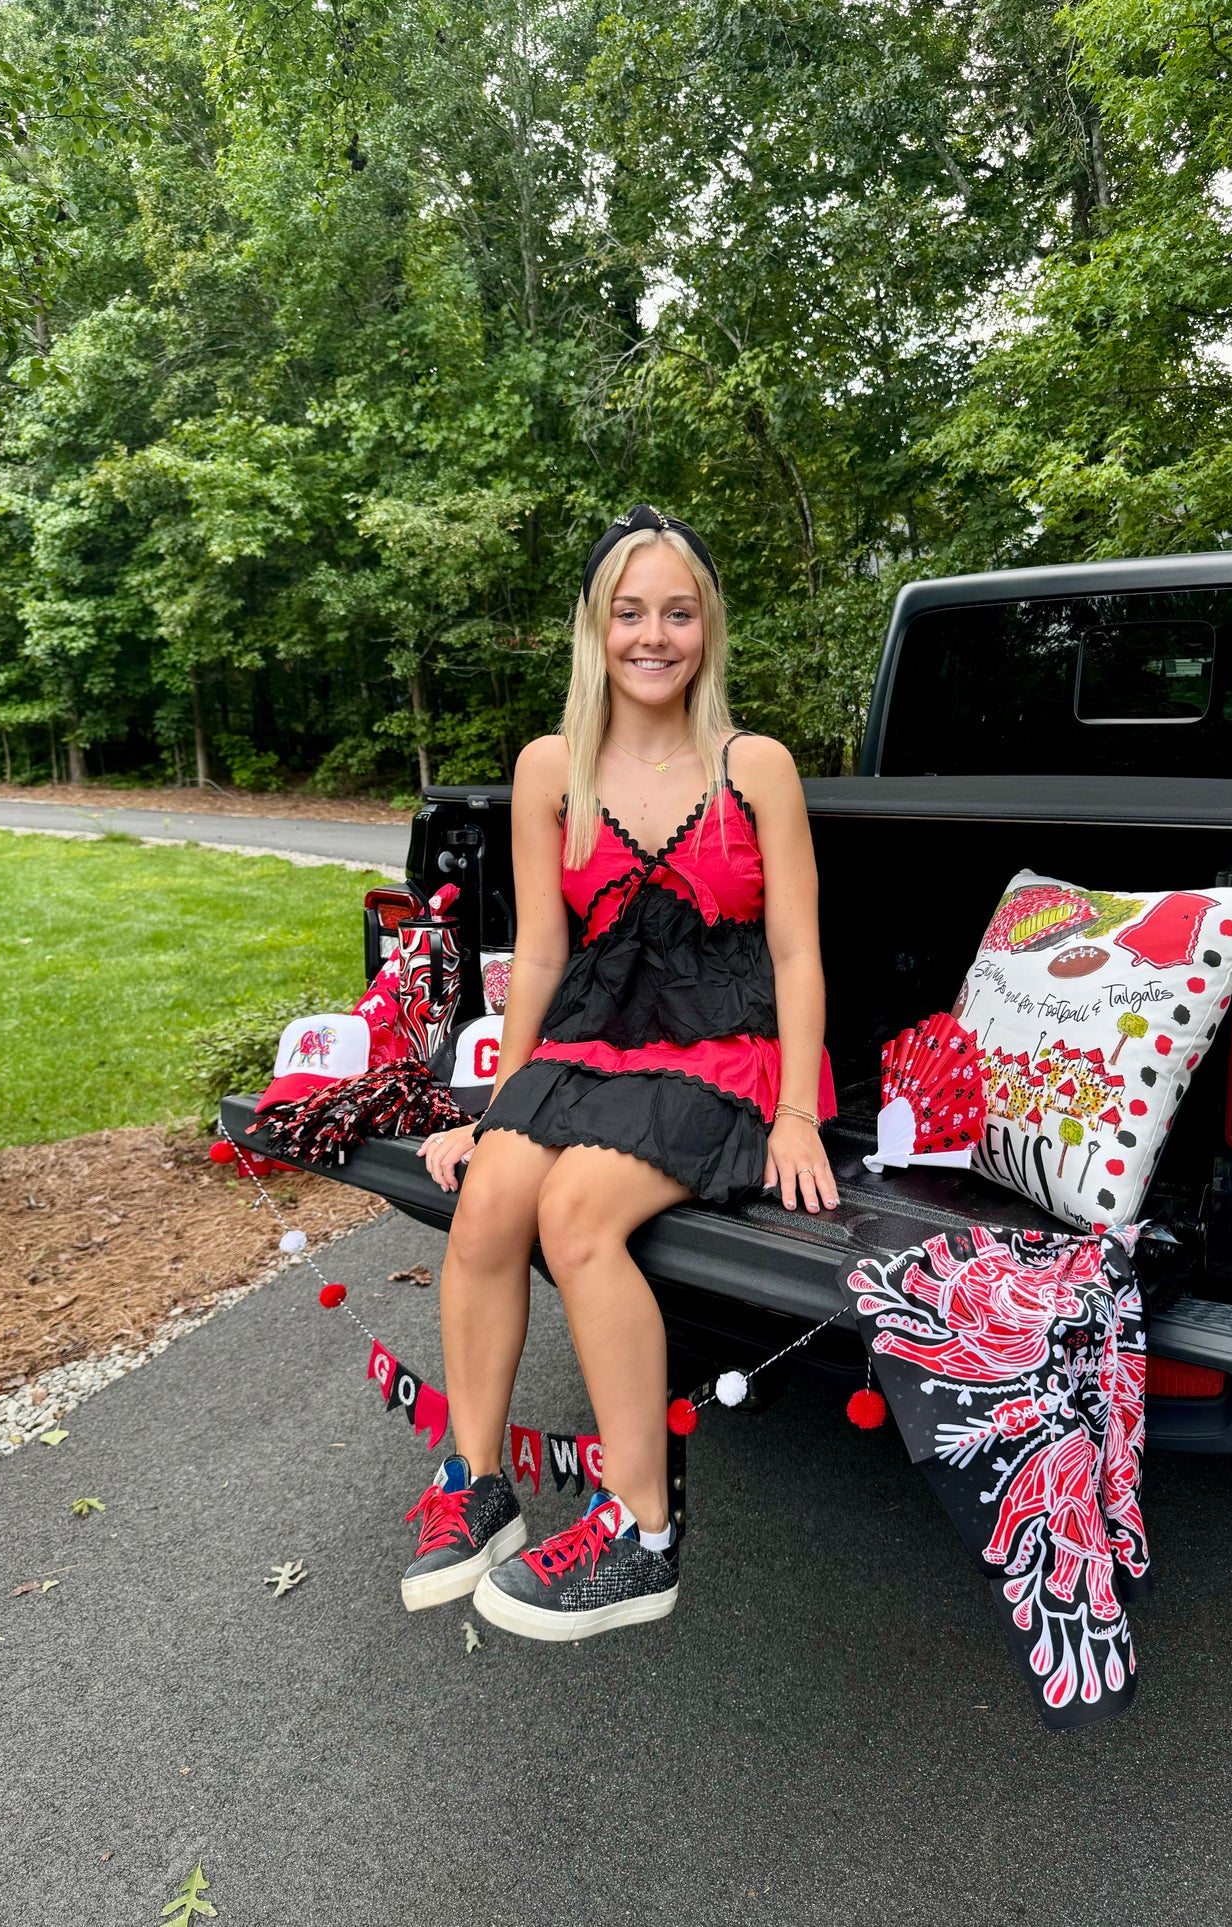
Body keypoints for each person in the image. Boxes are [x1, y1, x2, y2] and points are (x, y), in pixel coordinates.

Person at [399, 504, 838, 1641]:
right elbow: (542, 950)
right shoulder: (552, 765)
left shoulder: (756, 765)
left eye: (678, 612)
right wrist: (494, 1110)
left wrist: (794, 1109)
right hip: (593, 1037)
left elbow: (794, 948)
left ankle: (641, 1531)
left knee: (577, 1214)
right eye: (629, 611)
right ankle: (478, 1481)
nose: (655, 635)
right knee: (493, 1196)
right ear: (595, 629)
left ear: (708, 628)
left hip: (723, 1044)